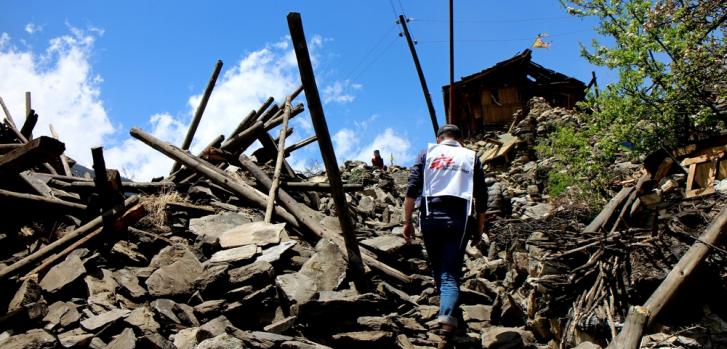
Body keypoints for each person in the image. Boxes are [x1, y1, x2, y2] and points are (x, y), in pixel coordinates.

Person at [402, 124, 487, 348]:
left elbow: (412, 189)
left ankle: (447, 315)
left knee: (437, 266)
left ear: (439, 138)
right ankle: (448, 321)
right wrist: (479, 228)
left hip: (430, 218)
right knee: (450, 272)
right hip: (459, 221)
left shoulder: (427, 153)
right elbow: (482, 196)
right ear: (460, 139)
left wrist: (407, 221)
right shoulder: (471, 156)